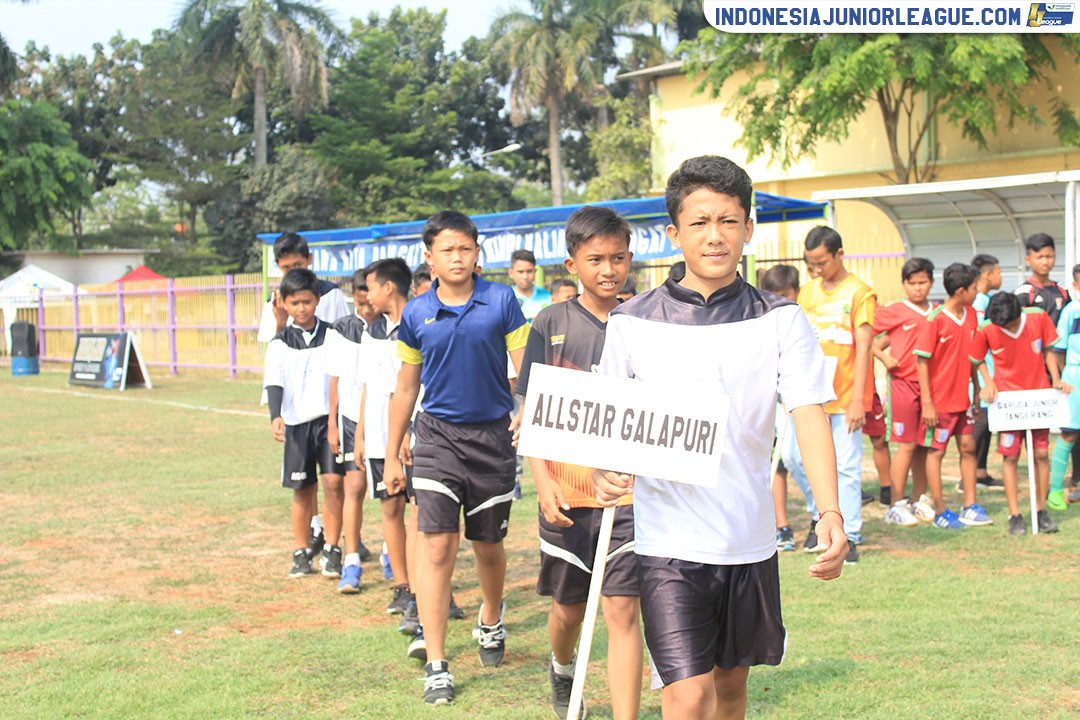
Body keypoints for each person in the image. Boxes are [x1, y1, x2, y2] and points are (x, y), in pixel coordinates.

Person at [594, 155, 845, 720]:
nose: (715, 236)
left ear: (749, 229)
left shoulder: (780, 319)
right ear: (674, 233)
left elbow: (808, 412)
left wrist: (828, 511)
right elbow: (608, 426)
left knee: (731, 688)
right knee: (687, 694)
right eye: (700, 222)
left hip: (748, 539)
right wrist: (604, 470)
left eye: (729, 221)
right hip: (667, 544)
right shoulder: (632, 322)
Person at [382, 210, 528, 706]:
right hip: (438, 439)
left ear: (477, 253)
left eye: (466, 248)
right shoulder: (415, 313)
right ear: (430, 258)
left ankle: (491, 616)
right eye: (448, 250)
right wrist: (391, 454)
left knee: (487, 545)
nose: (458, 257)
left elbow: (524, 365)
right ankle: (438, 664)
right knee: (438, 546)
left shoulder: (502, 301)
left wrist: (525, 407)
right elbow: (405, 389)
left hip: (492, 441)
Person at [516, 206, 642, 720]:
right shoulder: (550, 322)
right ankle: (563, 668)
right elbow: (533, 412)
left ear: (630, 259)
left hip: (631, 494)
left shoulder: (647, 321)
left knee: (621, 609)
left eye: (617, 258)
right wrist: (543, 481)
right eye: (596, 259)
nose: (608, 269)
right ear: (572, 265)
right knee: (568, 610)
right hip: (568, 494)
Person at [786, 225, 875, 564]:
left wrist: (858, 399)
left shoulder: (860, 293)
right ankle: (822, 516)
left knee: (847, 466)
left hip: (846, 395)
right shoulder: (805, 294)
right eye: (811, 264)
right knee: (794, 458)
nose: (816, 270)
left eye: (822, 262)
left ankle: (849, 533)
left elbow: (865, 348)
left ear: (839, 255)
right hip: (809, 398)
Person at [258, 232, 349, 559]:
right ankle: (309, 536)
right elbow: (274, 365)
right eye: (285, 268)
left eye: (297, 265)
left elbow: (342, 351)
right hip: (297, 415)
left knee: (334, 482)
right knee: (302, 486)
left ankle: (336, 542)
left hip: (329, 414)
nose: (301, 306)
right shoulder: (277, 315)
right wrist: (275, 413)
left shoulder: (332, 300)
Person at [971, 292, 1060, 535]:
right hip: (1008, 403)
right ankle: (1015, 514)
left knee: (1041, 453)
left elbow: (1049, 350)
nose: (1007, 328)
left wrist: (1056, 379)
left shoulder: (1038, 317)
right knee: (1010, 456)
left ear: (1019, 314)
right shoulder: (986, 329)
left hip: (1037, 398)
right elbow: (977, 359)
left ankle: (1041, 510)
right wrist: (988, 382)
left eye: (1011, 324)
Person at [913, 262, 990, 529]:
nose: (976, 292)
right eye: (973, 288)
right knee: (936, 452)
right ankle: (941, 511)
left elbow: (971, 356)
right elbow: (922, 363)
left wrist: (977, 388)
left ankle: (970, 505)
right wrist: (928, 403)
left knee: (969, 448)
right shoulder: (934, 321)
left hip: (964, 400)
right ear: (960, 291)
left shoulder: (971, 315)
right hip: (940, 402)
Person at [873, 258, 936, 526]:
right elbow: (869, 338)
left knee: (923, 445)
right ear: (904, 284)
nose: (918, 288)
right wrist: (883, 357)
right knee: (906, 444)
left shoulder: (936, 313)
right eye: (913, 283)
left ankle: (918, 498)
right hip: (902, 384)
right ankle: (895, 503)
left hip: (930, 387)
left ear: (931, 282)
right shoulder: (895, 310)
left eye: (923, 282)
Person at [324, 271, 374, 591]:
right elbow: (335, 379)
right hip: (352, 418)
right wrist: (333, 421)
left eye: (371, 294)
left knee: (392, 495)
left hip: (385, 420)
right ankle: (351, 560)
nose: (366, 302)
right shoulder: (342, 329)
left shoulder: (391, 328)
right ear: (353, 295)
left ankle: (393, 561)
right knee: (353, 486)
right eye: (360, 295)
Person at [759, 264, 801, 552]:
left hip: (799, 407)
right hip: (770, 408)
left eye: (785, 296)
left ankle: (819, 517)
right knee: (777, 466)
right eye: (773, 296)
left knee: (799, 461)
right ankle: (781, 526)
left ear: (797, 293)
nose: (779, 303)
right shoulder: (758, 323)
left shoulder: (802, 323)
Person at [1047, 263, 1080, 510]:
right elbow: (1057, 350)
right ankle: (1056, 489)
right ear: (1076, 285)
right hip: (1075, 378)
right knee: (1069, 433)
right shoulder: (1072, 311)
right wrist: (1059, 378)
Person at [971, 254, 1005, 490]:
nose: (1001, 276)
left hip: (992, 374)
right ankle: (969, 474)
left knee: (988, 423)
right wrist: (984, 378)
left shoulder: (989, 299)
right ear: (987, 275)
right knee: (980, 424)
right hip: (983, 377)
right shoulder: (979, 303)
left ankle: (981, 472)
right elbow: (976, 344)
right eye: (999, 272)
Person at [509, 248, 553, 320]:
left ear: (535, 271)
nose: (525, 277)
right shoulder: (506, 298)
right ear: (511, 273)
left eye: (529, 271)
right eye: (520, 272)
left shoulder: (547, 296)